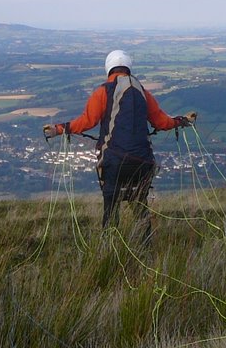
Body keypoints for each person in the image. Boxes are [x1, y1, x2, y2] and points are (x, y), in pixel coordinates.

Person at [44, 50, 195, 242]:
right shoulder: (142, 92)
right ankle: (145, 249)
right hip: (143, 161)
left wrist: (59, 129)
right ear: (128, 68)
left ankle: (110, 250)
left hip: (114, 160)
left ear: (108, 68)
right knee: (140, 206)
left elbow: (87, 121)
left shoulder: (104, 91)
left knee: (111, 206)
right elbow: (161, 122)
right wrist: (181, 121)